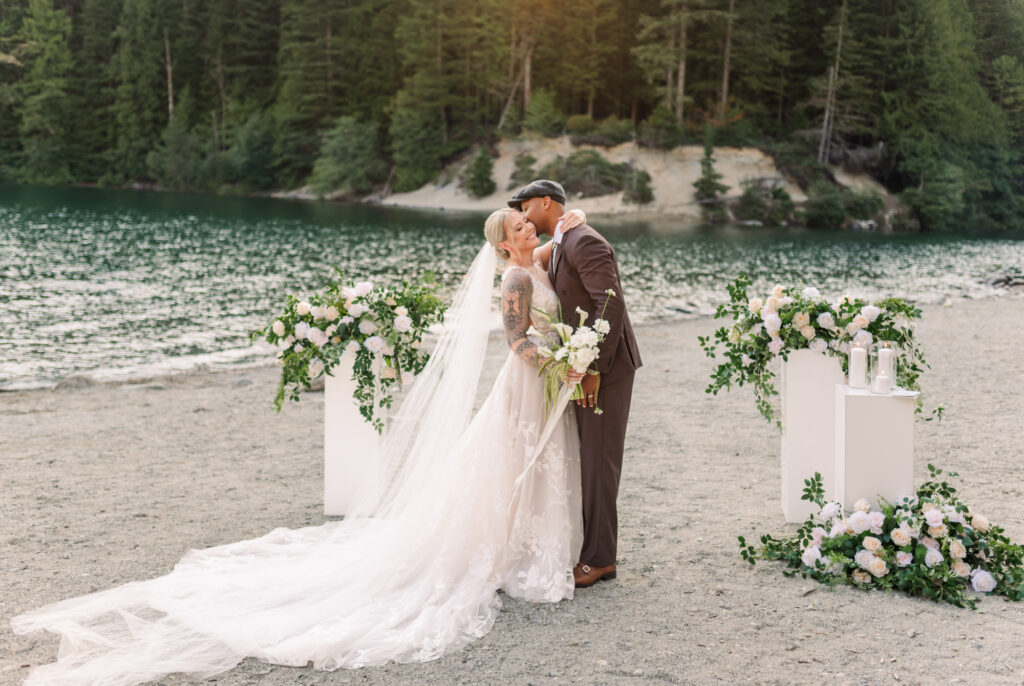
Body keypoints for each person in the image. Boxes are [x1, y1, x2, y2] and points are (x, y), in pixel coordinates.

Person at [12, 208, 591, 685]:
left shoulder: (537, 263)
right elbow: (517, 341)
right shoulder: (515, 279)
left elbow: (567, 230)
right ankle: (502, 549)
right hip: (526, 381)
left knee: (530, 462)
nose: (528, 231)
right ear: (502, 245)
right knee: (511, 459)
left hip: (541, 385)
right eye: (518, 229)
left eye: (527, 225)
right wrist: (562, 363)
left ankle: (523, 543)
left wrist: (572, 229)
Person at [511, 180, 642, 588]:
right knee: (587, 458)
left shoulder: (583, 240)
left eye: (526, 207)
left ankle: (601, 559)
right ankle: (591, 547)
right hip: (579, 365)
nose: (523, 216)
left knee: (599, 461)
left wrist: (594, 368)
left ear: (546, 202)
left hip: (606, 367)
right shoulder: (563, 239)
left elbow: (609, 302)